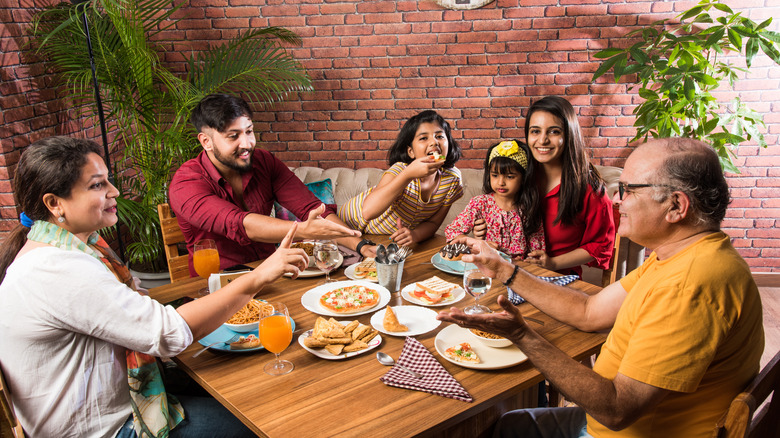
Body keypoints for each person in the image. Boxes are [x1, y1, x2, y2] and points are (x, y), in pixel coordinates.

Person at [439, 138, 764, 438]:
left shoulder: (690, 285)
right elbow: (589, 311)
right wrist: (504, 269)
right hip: (618, 423)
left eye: (627, 189)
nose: (614, 198)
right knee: (510, 425)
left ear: (676, 206)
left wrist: (523, 335)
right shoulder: (681, 256)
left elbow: (617, 409)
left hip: (620, 430)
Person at [0, 136, 309, 437]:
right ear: (55, 204)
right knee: (266, 419)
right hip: (109, 427)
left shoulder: (66, 249)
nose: (115, 191)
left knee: (248, 388)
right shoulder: (57, 269)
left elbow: (134, 309)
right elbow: (168, 335)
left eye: (108, 180)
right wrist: (257, 277)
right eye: (97, 185)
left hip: (119, 401)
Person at [169, 94, 375, 275]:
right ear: (206, 142)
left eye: (249, 131)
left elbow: (311, 209)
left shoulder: (264, 162)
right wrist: (305, 230)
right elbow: (238, 224)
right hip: (218, 285)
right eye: (233, 136)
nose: (247, 144)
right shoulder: (186, 183)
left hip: (273, 274)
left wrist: (362, 246)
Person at [519, 96, 615, 277]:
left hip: (560, 280)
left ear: (569, 134)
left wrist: (553, 263)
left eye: (554, 132)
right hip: (513, 274)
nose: (543, 140)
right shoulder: (520, 177)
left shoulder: (590, 191)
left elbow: (601, 245)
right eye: (535, 131)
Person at [339, 110, 463, 246]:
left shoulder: (452, 180)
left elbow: (433, 223)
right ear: (411, 151)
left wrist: (414, 235)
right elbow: (367, 212)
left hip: (378, 237)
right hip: (347, 223)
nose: (434, 142)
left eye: (439, 136)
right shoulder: (401, 170)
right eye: (423, 138)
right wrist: (408, 175)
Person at [444, 139, 545, 260]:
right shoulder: (480, 203)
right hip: (487, 263)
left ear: (523, 178)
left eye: (510, 177)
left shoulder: (529, 208)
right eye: (495, 175)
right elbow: (452, 232)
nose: (501, 182)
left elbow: (537, 248)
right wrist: (477, 244)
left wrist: (529, 260)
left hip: (518, 267)